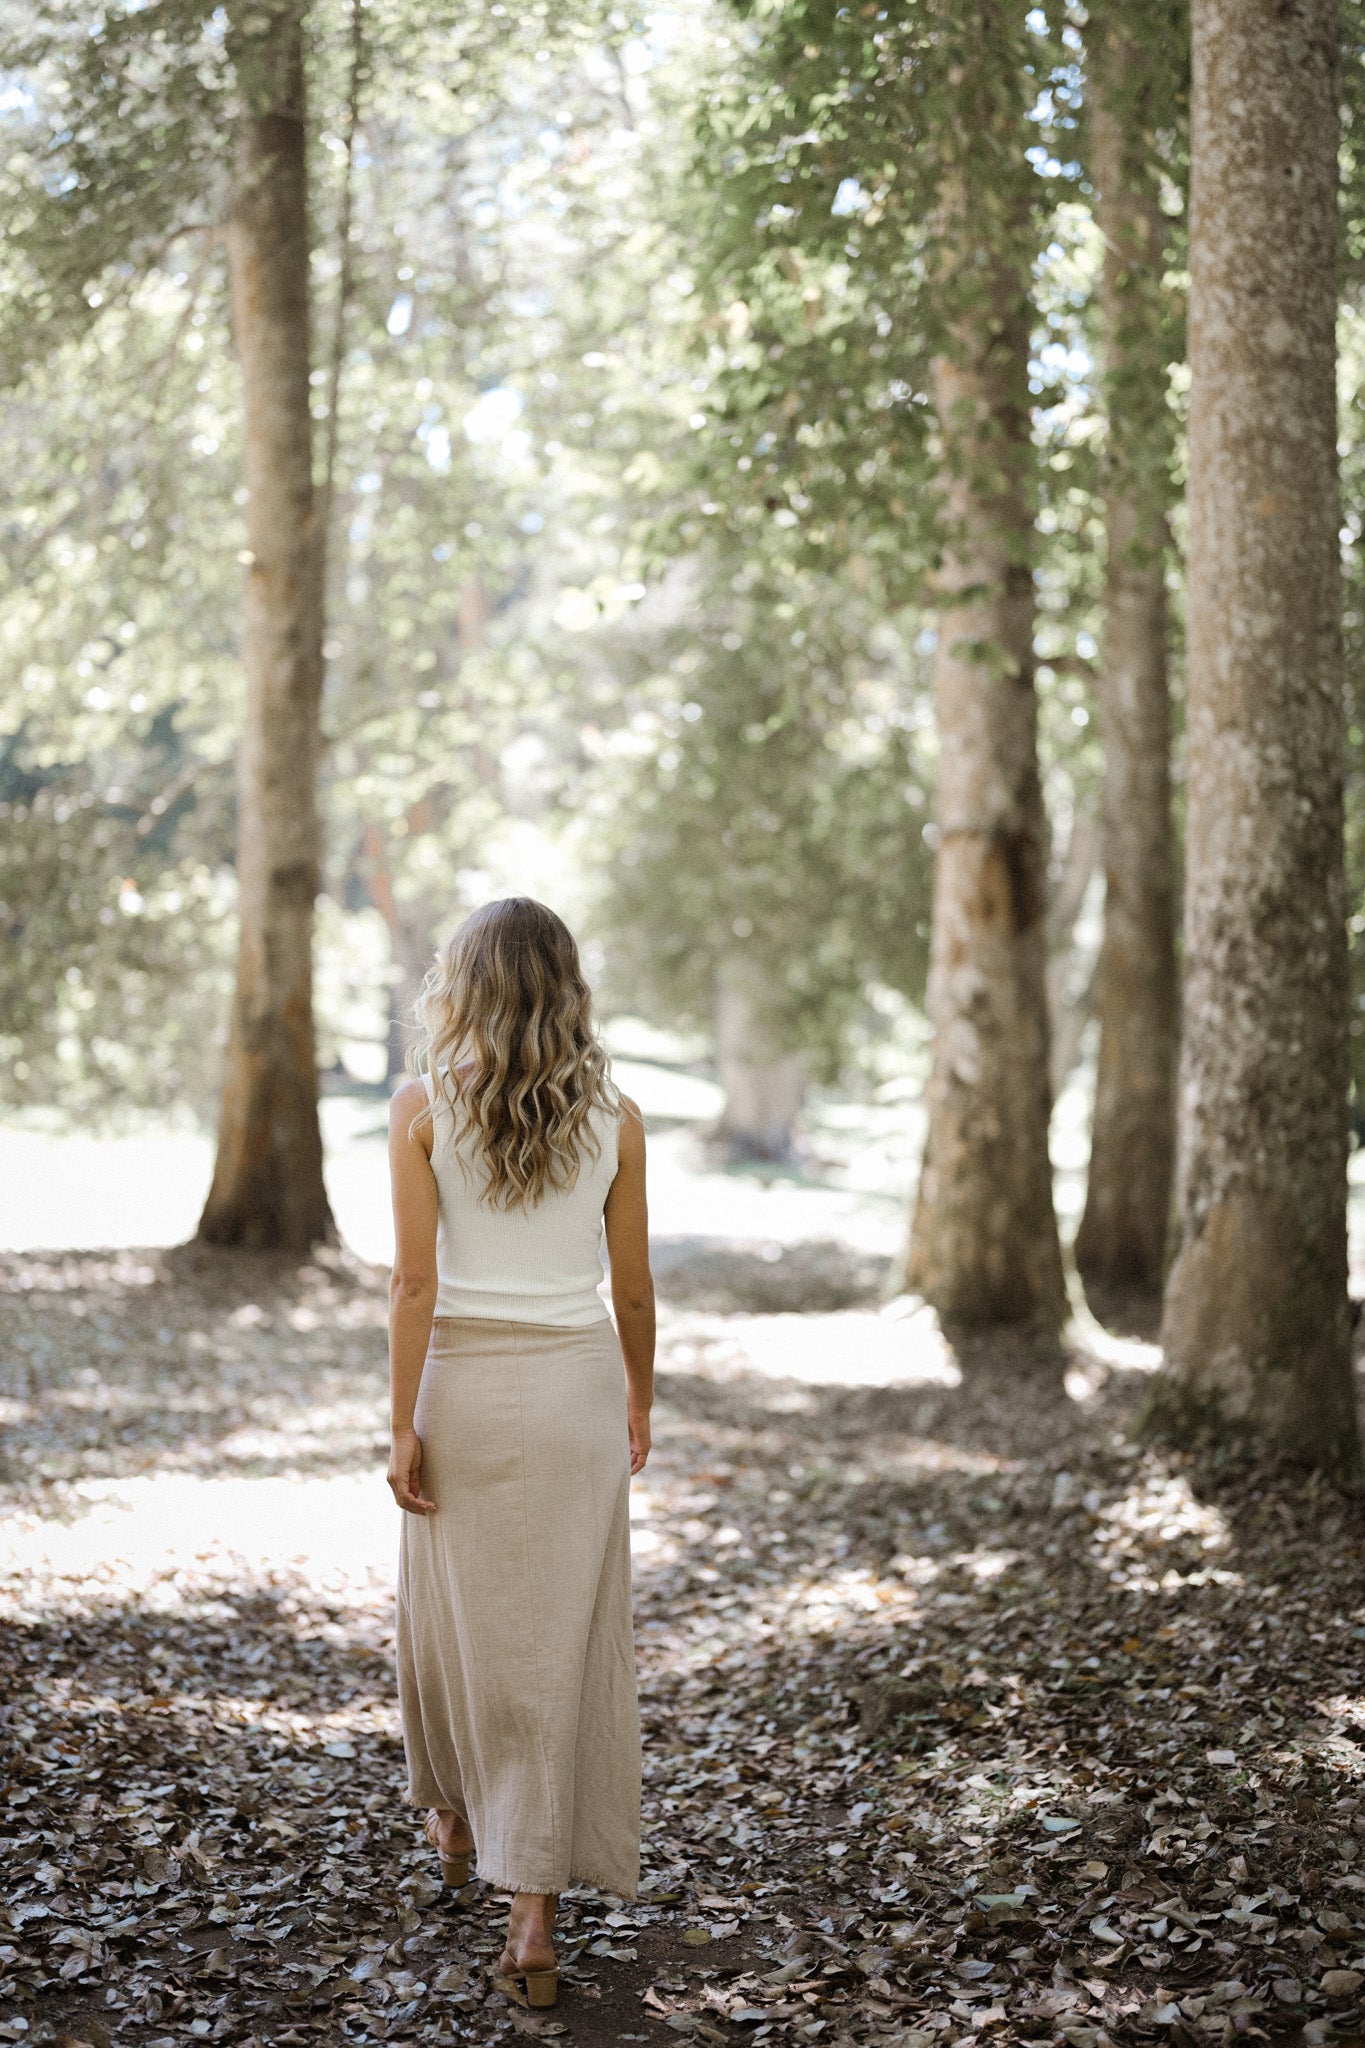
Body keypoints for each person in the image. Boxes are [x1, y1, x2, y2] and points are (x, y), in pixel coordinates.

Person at [385, 898, 654, 2009]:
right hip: (577, 1387)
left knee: (451, 1620)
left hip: (464, 1390)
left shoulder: (421, 1109)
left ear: (465, 984)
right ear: (566, 986)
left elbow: (413, 1284)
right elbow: (631, 1285)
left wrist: (402, 1419)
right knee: (558, 1640)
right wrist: (640, 1395)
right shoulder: (620, 1117)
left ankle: (452, 1818)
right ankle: (530, 1911)